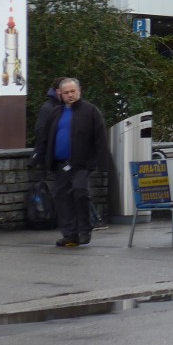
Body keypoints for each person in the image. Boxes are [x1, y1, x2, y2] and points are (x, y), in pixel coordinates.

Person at [31, 77, 109, 247]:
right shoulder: (55, 113)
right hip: (60, 164)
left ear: (79, 91)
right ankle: (69, 234)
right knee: (61, 197)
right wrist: (39, 156)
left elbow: (100, 139)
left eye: (73, 91)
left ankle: (84, 230)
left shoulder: (91, 111)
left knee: (80, 192)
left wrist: (102, 163)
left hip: (81, 164)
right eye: (66, 93)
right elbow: (45, 138)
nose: (70, 95)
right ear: (60, 94)